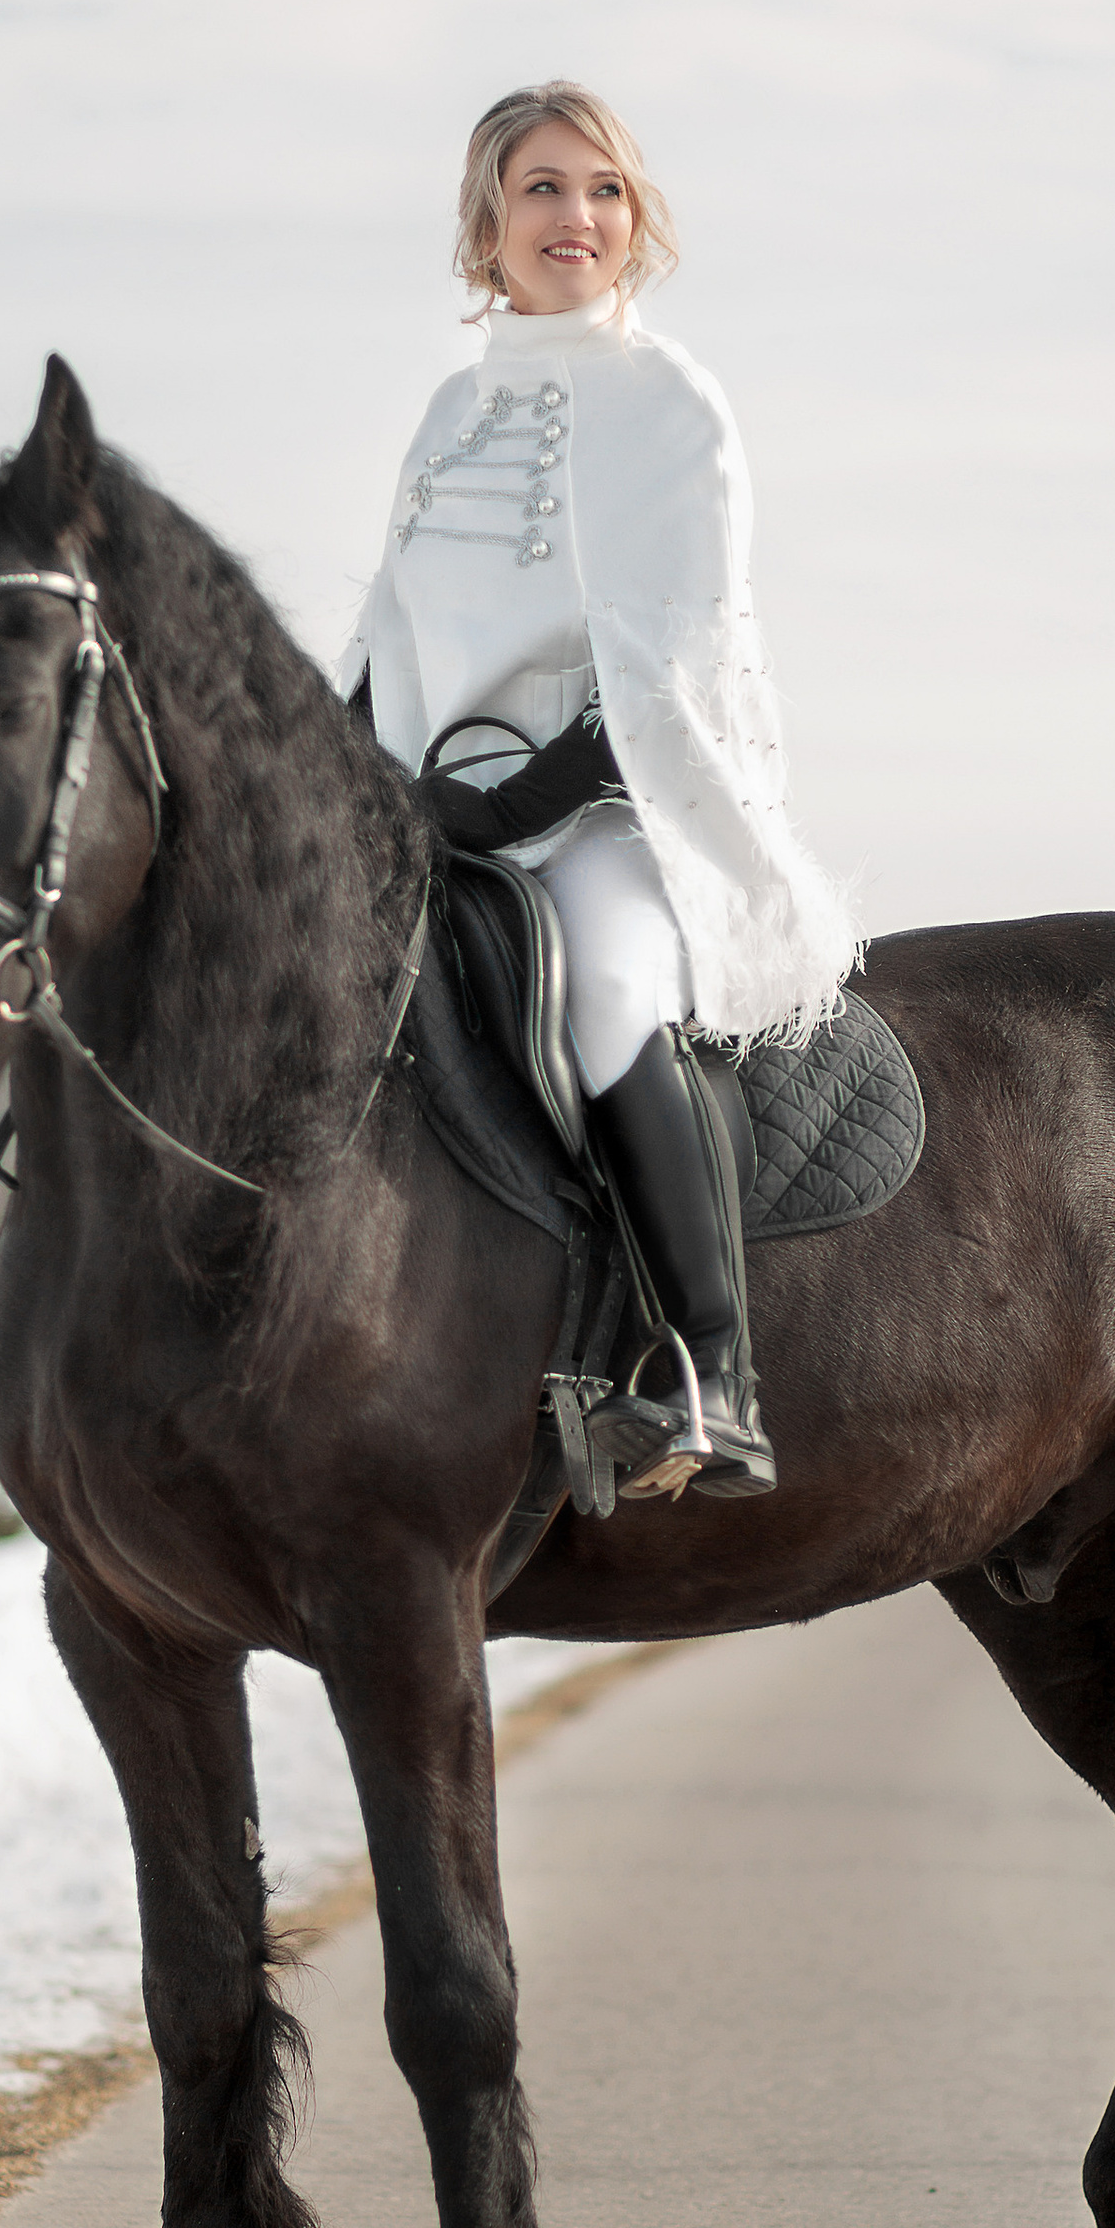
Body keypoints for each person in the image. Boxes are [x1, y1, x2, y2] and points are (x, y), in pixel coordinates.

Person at [340, 82, 854, 1495]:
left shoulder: (667, 403)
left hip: (618, 812)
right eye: (542, 190)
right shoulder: (450, 413)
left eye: (604, 190)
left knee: (606, 995)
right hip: (439, 814)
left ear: (636, 220)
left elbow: (673, 657)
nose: (576, 217)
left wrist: (514, 812)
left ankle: (710, 1369)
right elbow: (391, 630)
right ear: (487, 226)